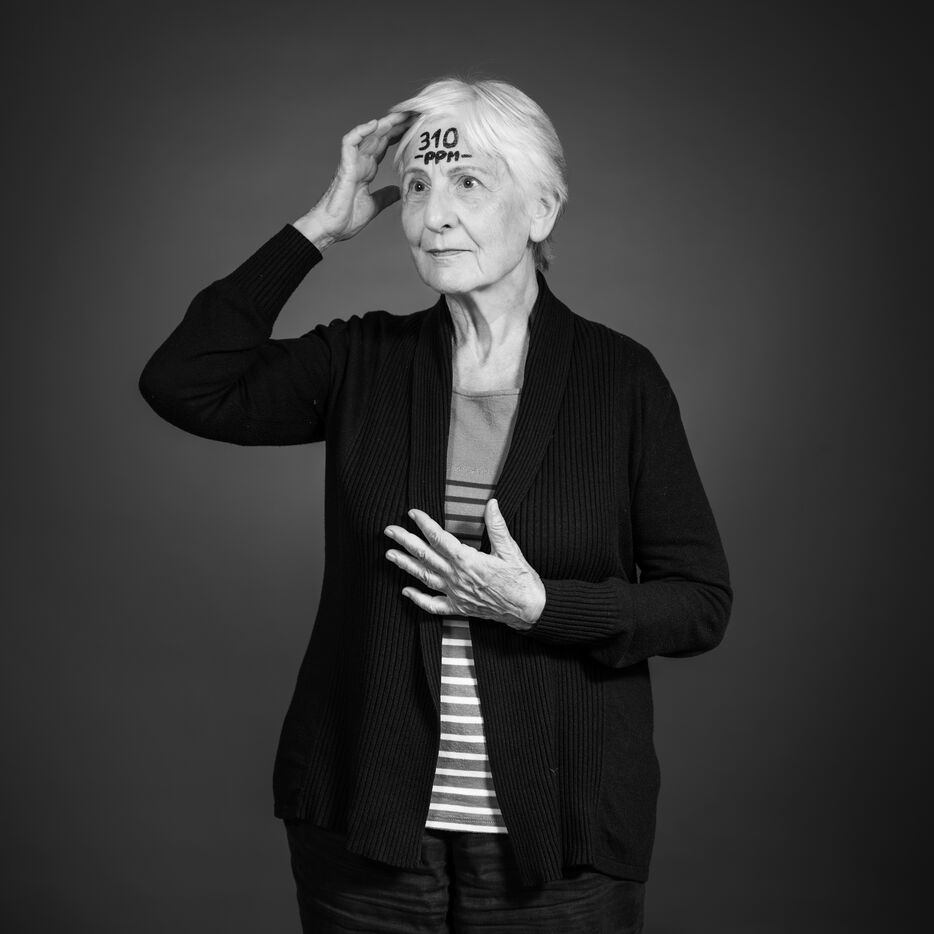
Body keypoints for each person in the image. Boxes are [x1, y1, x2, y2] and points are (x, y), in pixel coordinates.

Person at [139, 77, 732, 933]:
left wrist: (539, 606)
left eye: (468, 183)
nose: (433, 214)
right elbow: (183, 383)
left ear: (541, 210)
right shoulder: (363, 359)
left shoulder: (621, 380)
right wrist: (319, 228)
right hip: (367, 829)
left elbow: (699, 603)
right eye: (416, 186)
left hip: (561, 838)